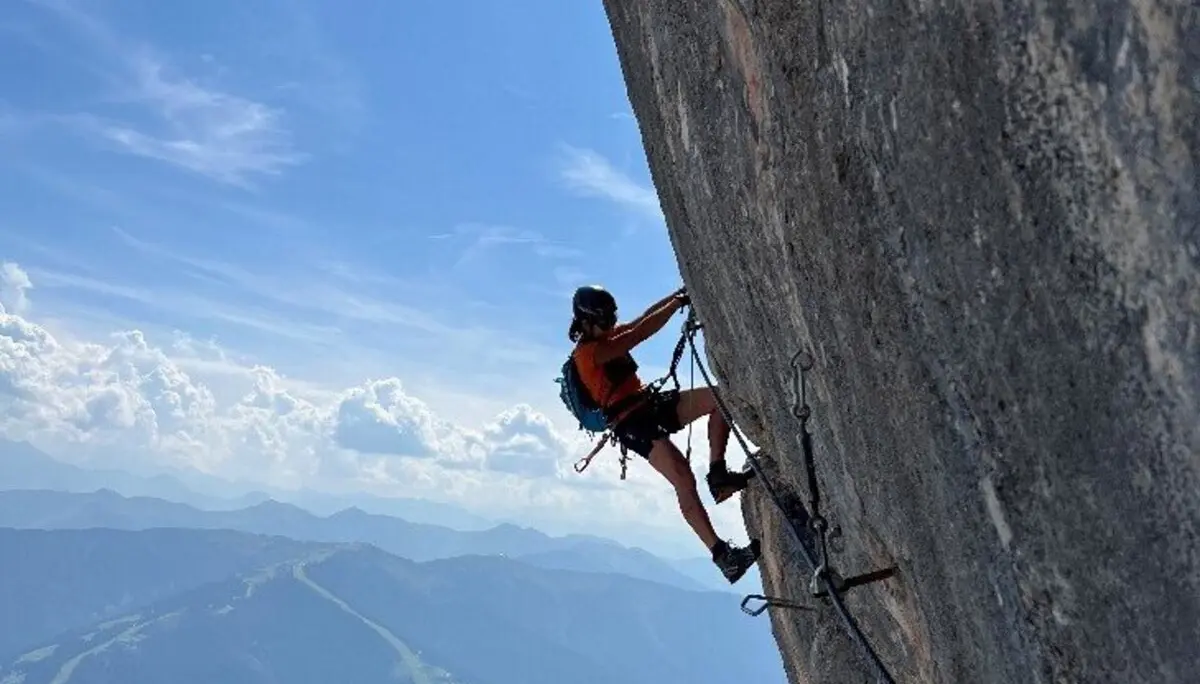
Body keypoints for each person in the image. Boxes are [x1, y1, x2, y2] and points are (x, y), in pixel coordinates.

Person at [568, 283, 761, 583]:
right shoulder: (588, 355)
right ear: (585, 322)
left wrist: (677, 295)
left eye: (611, 320)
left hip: (648, 405)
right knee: (683, 478)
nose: (611, 327)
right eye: (604, 322)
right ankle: (724, 558)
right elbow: (638, 334)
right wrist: (675, 305)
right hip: (632, 425)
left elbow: (640, 320)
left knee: (719, 398)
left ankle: (719, 475)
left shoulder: (605, 338)